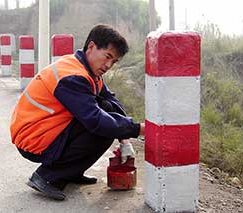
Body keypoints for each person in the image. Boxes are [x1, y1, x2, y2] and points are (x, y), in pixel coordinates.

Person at [10, 24, 145, 201]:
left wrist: (125, 137)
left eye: (114, 61)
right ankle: (47, 176)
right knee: (102, 128)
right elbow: (95, 120)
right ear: (91, 47)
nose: (108, 65)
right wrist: (138, 129)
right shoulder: (73, 76)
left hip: (46, 129)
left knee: (107, 109)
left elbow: (112, 101)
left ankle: (71, 172)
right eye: (107, 57)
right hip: (34, 139)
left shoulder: (88, 71)